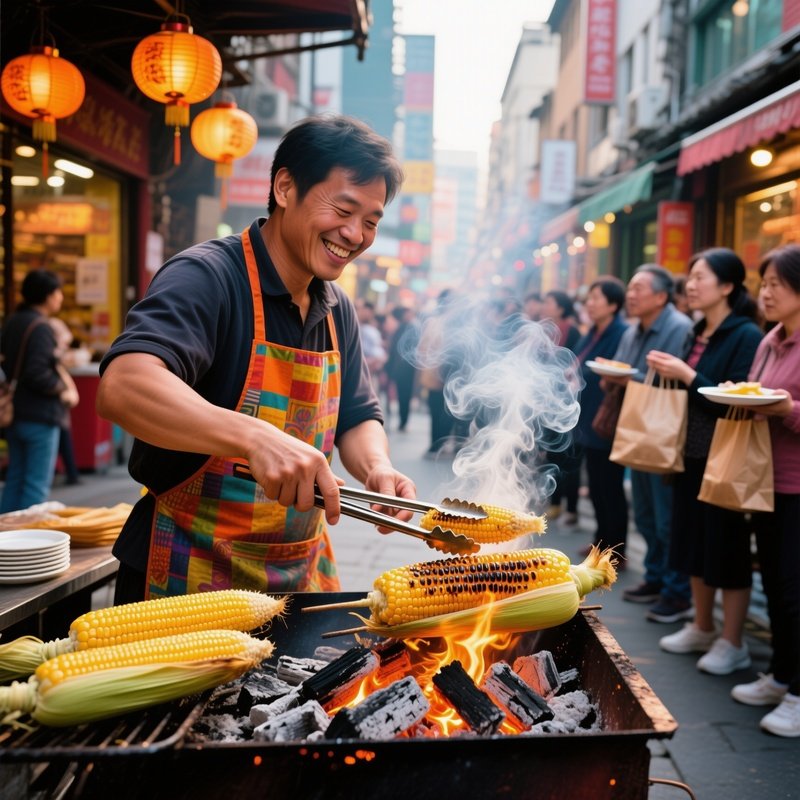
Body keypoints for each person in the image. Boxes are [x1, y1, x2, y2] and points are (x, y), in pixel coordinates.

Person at [96, 114, 414, 603]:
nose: (355, 234)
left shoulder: (337, 308)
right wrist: (255, 436)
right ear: (285, 187)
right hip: (185, 575)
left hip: (299, 576)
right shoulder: (207, 277)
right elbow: (124, 385)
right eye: (343, 209)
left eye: (371, 221)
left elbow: (356, 416)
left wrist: (376, 469)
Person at [646, 248, 762, 675]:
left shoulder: (745, 335)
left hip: (723, 456)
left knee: (726, 548)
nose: (691, 285)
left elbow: (738, 398)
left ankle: (733, 642)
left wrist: (687, 374)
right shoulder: (697, 331)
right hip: (689, 454)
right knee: (692, 542)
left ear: (727, 286)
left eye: (700, 277)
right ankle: (701, 625)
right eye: (690, 277)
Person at [731, 244, 800, 737]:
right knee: (774, 584)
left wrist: (786, 409)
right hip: (764, 479)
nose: (767, 293)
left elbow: (784, 405)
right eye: (765, 283)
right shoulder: (770, 340)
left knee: (795, 589)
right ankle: (781, 674)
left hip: (798, 484)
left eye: (777, 283)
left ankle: (799, 692)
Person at [605, 264, 694, 622]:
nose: (631, 294)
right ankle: (655, 577)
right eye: (630, 287)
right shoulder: (633, 329)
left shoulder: (679, 327)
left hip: (665, 431)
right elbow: (623, 368)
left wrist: (627, 379)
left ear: (660, 296)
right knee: (644, 511)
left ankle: (676, 591)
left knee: (666, 516)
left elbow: (674, 381)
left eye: (639, 288)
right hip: (638, 427)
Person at [0, 270, 77, 512]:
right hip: (39, 415)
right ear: (47, 295)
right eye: (58, 292)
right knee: (36, 486)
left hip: (14, 411)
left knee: (15, 479)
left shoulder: (13, 321)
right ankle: (27, 534)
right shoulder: (41, 327)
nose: (60, 297)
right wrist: (61, 390)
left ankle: (5, 531)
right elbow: (37, 373)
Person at [573, 277, 629, 563]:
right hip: (589, 416)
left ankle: (616, 549)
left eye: (596, 298)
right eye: (589, 298)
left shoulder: (621, 333)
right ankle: (601, 540)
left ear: (613, 304)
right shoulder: (593, 332)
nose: (590, 304)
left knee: (610, 486)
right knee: (596, 485)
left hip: (608, 419)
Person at [541, 290, 581, 523]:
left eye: (549, 302)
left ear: (561, 307)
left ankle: (571, 508)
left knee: (568, 457)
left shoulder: (572, 331)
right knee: (552, 453)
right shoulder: (546, 331)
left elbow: (574, 367)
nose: (544, 306)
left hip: (567, 404)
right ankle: (554, 502)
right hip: (549, 403)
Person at [49, 316, 81, 485]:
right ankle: (70, 473)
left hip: (50, 406)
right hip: (50, 405)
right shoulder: (48, 341)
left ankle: (69, 472)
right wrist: (62, 390)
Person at [385, 305, 417, 433]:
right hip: (402, 369)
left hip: (405, 369)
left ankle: (403, 421)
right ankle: (403, 421)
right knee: (403, 396)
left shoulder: (409, 328)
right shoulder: (405, 328)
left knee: (404, 396)